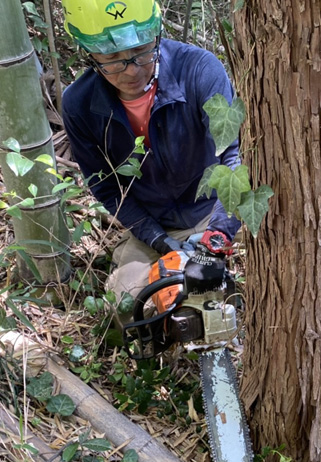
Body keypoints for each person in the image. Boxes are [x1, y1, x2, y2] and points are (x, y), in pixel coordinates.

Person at [61, 0, 240, 327]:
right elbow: (107, 188)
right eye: (113, 58)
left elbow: (233, 156)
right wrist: (157, 239)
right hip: (154, 223)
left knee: (211, 296)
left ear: (155, 35)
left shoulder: (198, 70)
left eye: (140, 51)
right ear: (90, 54)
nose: (131, 70)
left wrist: (218, 236)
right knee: (127, 303)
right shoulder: (80, 103)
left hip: (212, 208)